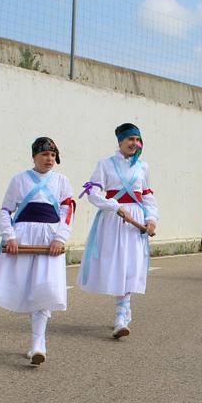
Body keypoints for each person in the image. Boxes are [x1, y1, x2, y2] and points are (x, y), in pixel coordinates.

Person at [0, 137, 76, 364]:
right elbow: (6, 210)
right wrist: (10, 236)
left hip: (50, 241)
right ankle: (36, 340)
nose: (50, 159)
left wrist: (60, 237)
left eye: (53, 155)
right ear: (35, 156)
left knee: (45, 288)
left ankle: (38, 343)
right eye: (45, 154)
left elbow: (68, 210)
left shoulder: (62, 180)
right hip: (24, 238)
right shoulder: (19, 180)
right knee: (25, 286)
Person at [78, 122, 158, 338]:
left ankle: (121, 315)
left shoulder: (143, 167)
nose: (135, 143)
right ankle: (123, 310)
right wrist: (114, 206)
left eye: (137, 139)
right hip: (114, 219)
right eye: (130, 139)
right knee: (117, 264)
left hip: (136, 221)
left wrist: (151, 219)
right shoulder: (105, 164)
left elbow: (148, 196)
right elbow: (93, 192)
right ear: (121, 141)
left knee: (131, 264)